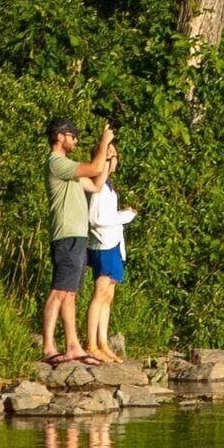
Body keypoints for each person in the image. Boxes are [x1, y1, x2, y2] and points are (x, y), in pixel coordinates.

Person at [40, 117, 110, 360]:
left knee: (70, 293)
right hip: (65, 235)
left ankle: (73, 346)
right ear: (59, 137)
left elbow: (96, 184)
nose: (75, 140)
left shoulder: (68, 167)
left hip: (77, 236)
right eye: (72, 135)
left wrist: (108, 159)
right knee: (58, 291)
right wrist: (103, 142)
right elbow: (93, 168)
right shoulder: (56, 163)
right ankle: (49, 347)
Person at [82, 147, 136, 360]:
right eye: (111, 155)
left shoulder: (109, 185)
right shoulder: (98, 185)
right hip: (103, 244)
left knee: (108, 294)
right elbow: (96, 219)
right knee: (100, 293)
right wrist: (125, 216)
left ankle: (102, 342)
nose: (115, 159)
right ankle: (91, 344)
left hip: (113, 243)